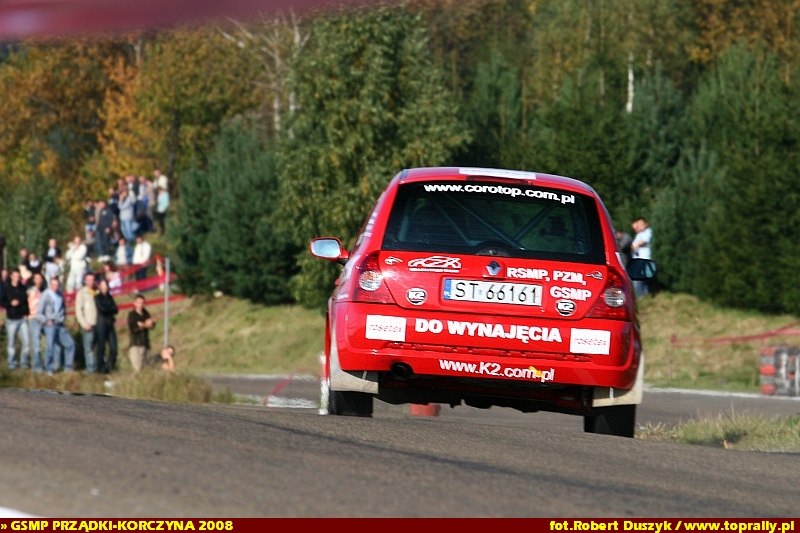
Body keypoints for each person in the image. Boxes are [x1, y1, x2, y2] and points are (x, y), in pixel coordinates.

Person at [39, 276, 75, 373]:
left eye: (57, 285)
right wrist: (46, 320)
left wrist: (64, 319)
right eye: (53, 285)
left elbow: (63, 308)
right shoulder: (45, 294)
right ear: (50, 284)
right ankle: (49, 368)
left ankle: (68, 368)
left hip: (60, 324)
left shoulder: (60, 294)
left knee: (70, 344)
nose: (55, 287)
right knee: (50, 347)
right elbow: (39, 312)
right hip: (49, 324)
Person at [2, 269, 31, 370]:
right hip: (11, 319)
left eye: (18, 276)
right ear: (11, 276)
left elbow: (26, 302)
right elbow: (2, 301)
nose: (16, 278)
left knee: (26, 342)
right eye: (14, 276)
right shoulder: (6, 288)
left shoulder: (23, 288)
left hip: (22, 319)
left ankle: (24, 363)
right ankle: (12, 363)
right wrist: (10, 304)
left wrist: (26, 313)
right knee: (11, 343)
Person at [75, 272, 99, 373]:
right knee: (88, 348)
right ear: (85, 281)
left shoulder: (97, 292)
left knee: (97, 347)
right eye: (88, 280)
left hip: (98, 325)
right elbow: (78, 311)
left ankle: (97, 367)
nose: (91, 282)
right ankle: (90, 369)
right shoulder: (81, 293)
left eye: (92, 279)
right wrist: (84, 324)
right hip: (88, 325)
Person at [94, 278, 118, 373]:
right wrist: (110, 309)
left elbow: (116, 310)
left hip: (110, 324)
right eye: (103, 285)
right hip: (101, 324)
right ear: (100, 287)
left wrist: (109, 309)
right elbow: (102, 309)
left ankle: (109, 365)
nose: (105, 287)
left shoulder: (110, 297)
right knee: (101, 347)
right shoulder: (97, 297)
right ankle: (100, 367)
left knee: (114, 348)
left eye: (106, 285)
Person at [127, 293, 155, 372]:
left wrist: (143, 325)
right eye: (139, 302)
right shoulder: (132, 315)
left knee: (146, 369)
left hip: (145, 344)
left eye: (142, 303)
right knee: (137, 368)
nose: (140, 305)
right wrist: (146, 325)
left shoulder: (146, 313)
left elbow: (152, 325)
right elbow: (134, 329)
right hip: (136, 344)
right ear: (135, 303)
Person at [26, 272, 46, 372]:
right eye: (36, 278)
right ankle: (36, 367)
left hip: (42, 319)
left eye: (40, 278)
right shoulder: (30, 291)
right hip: (33, 318)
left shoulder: (43, 291)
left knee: (44, 343)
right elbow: (27, 303)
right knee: (35, 343)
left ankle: (44, 364)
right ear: (33, 280)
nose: (38, 280)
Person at [631, 217, 653, 297]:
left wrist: (634, 246)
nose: (639, 226)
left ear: (646, 224)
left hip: (644, 259)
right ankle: (642, 297)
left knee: (639, 280)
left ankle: (642, 297)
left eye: (641, 224)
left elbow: (643, 242)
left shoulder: (648, 232)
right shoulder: (639, 234)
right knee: (639, 281)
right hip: (638, 260)